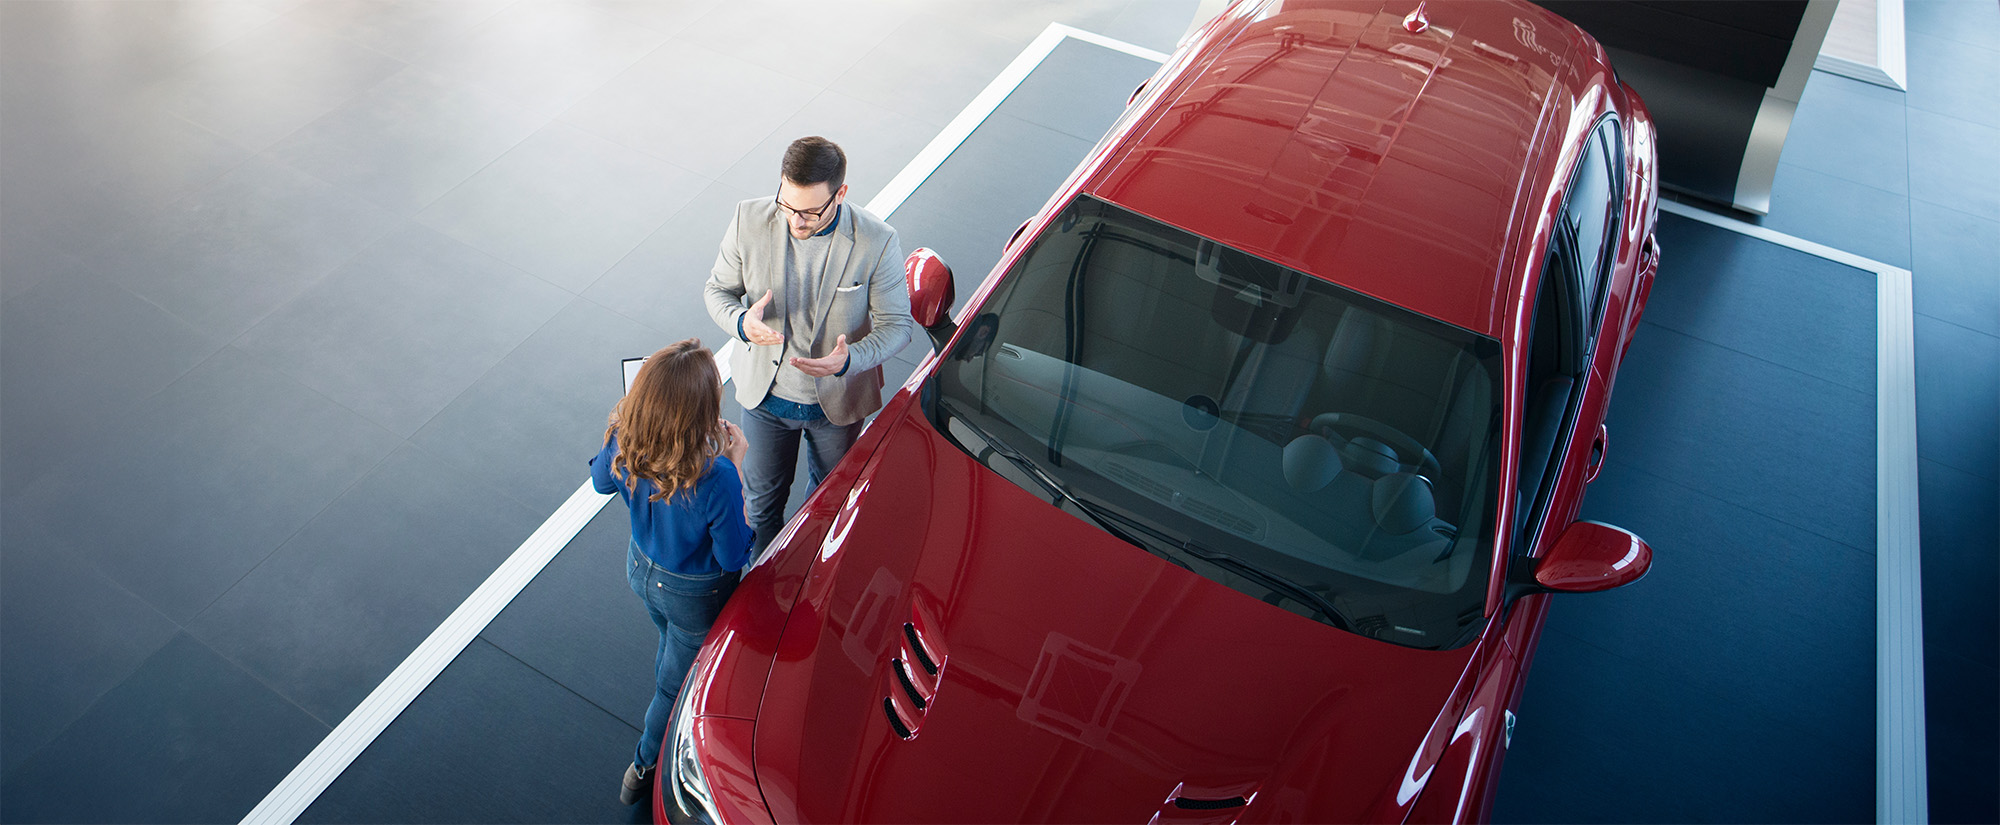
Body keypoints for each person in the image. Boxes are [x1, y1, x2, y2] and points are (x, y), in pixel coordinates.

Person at [704, 135, 913, 550]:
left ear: (841, 194)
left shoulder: (877, 239)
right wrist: (743, 323)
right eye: (788, 206)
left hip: (835, 404)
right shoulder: (749, 218)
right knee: (761, 508)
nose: (797, 221)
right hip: (765, 400)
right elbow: (717, 292)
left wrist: (849, 359)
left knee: (827, 503)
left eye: (810, 212)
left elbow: (897, 325)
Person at [590, 339, 754, 806]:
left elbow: (601, 482)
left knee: (667, 637)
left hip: (640, 568)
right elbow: (732, 556)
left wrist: (620, 427)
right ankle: (643, 766)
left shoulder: (628, 436)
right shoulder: (717, 475)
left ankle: (670, 657)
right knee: (670, 686)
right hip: (693, 594)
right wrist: (736, 463)